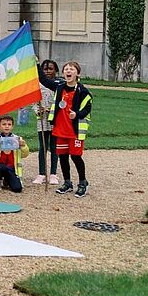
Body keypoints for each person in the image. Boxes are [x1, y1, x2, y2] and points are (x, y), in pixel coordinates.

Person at [41, 61, 92, 196]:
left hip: (74, 131)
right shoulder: (59, 87)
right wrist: (35, 64)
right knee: (62, 157)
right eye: (66, 69)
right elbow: (44, 80)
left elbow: (87, 108)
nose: (68, 71)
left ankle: (82, 182)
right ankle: (67, 182)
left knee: (76, 156)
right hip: (60, 129)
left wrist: (77, 114)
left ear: (77, 73)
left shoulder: (83, 91)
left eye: (72, 69)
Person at [31, 59, 61, 185]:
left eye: (51, 69)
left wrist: (53, 109)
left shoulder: (60, 84)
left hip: (55, 119)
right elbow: (33, 101)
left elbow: (63, 101)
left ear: (56, 70)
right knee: (43, 146)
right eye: (45, 69)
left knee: (54, 147)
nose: (48, 71)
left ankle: (53, 174)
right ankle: (41, 173)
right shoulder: (38, 84)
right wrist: (38, 110)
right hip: (42, 119)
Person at [0, 115, 30, 193]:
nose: (7, 127)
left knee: (17, 189)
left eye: (9, 124)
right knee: (1, 167)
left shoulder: (17, 138)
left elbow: (25, 155)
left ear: (12, 126)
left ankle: (7, 180)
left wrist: (23, 146)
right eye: (4, 124)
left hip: (12, 167)